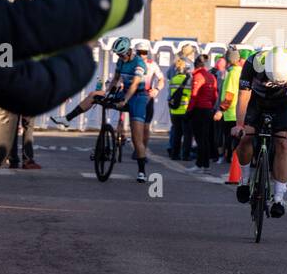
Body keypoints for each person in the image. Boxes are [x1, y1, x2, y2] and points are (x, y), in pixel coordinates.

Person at [233, 47, 287, 216]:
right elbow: (243, 97)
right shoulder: (253, 62)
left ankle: (279, 198)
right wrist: (239, 125)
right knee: (245, 137)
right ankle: (244, 180)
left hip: (282, 104)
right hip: (256, 102)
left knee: (283, 144)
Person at [65, 36, 152, 181]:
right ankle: (68, 118)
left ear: (129, 51)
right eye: (117, 54)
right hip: (124, 93)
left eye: (121, 54)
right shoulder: (120, 61)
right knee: (95, 96)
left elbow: (134, 85)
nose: (119, 57)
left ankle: (141, 171)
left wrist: (124, 101)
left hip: (138, 97)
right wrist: (107, 93)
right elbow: (115, 80)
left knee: (137, 139)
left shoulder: (139, 63)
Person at [186, 53, 219, 172]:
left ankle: (200, 164)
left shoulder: (198, 76)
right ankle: (206, 165)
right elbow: (215, 95)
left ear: (196, 65)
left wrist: (189, 110)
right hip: (209, 109)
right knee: (206, 138)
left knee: (200, 138)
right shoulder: (211, 76)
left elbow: (194, 95)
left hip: (199, 110)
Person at [167, 57, 192, 160]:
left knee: (177, 134)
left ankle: (174, 154)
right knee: (187, 134)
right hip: (185, 109)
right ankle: (185, 155)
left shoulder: (173, 80)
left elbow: (169, 96)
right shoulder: (189, 80)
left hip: (174, 111)